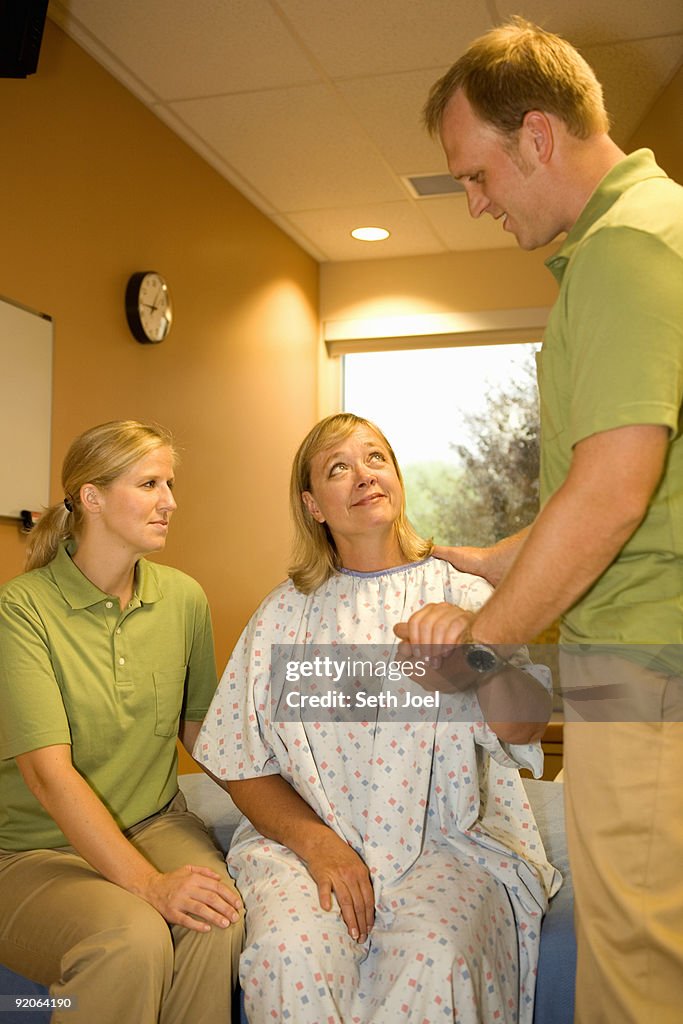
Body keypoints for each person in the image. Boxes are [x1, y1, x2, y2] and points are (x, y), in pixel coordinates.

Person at [396, 17, 683, 1024]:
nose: (471, 203)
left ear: (538, 138)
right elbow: (611, 488)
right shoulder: (651, 231)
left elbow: (610, 495)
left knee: (635, 976)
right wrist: (490, 559)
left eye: (474, 174)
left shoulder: (623, 247)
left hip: (648, 672)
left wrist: (479, 648)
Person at [194, 412, 558, 1024]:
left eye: (375, 459)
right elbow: (238, 761)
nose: (363, 475)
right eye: (339, 468)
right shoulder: (283, 616)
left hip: (448, 845)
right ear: (313, 505)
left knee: (435, 957)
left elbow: (525, 729)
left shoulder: (463, 595)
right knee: (290, 955)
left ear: (396, 479)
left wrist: (478, 654)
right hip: (308, 847)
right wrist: (320, 846)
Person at [0, 420, 244, 1024]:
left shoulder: (183, 597)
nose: (171, 501)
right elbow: (47, 777)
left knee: (216, 918)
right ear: (92, 498)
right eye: (150, 483)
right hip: (36, 852)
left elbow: (202, 734)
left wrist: (306, 799)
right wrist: (150, 886)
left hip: (157, 822)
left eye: (170, 482)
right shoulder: (21, 609)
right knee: (130, 941)